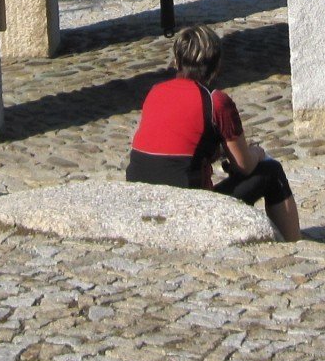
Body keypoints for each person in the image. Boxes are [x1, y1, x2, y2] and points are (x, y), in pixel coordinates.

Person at [126, 24, 300, 241]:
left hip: (140, 201)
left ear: (177, 61)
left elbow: (180, 147)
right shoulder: (216, 101)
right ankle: (294, 243)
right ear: (217, 65)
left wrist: (216, 152)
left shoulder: (155, 92)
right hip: (188, 209)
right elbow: (245, 166)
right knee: (272, 171)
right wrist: (257, 152)